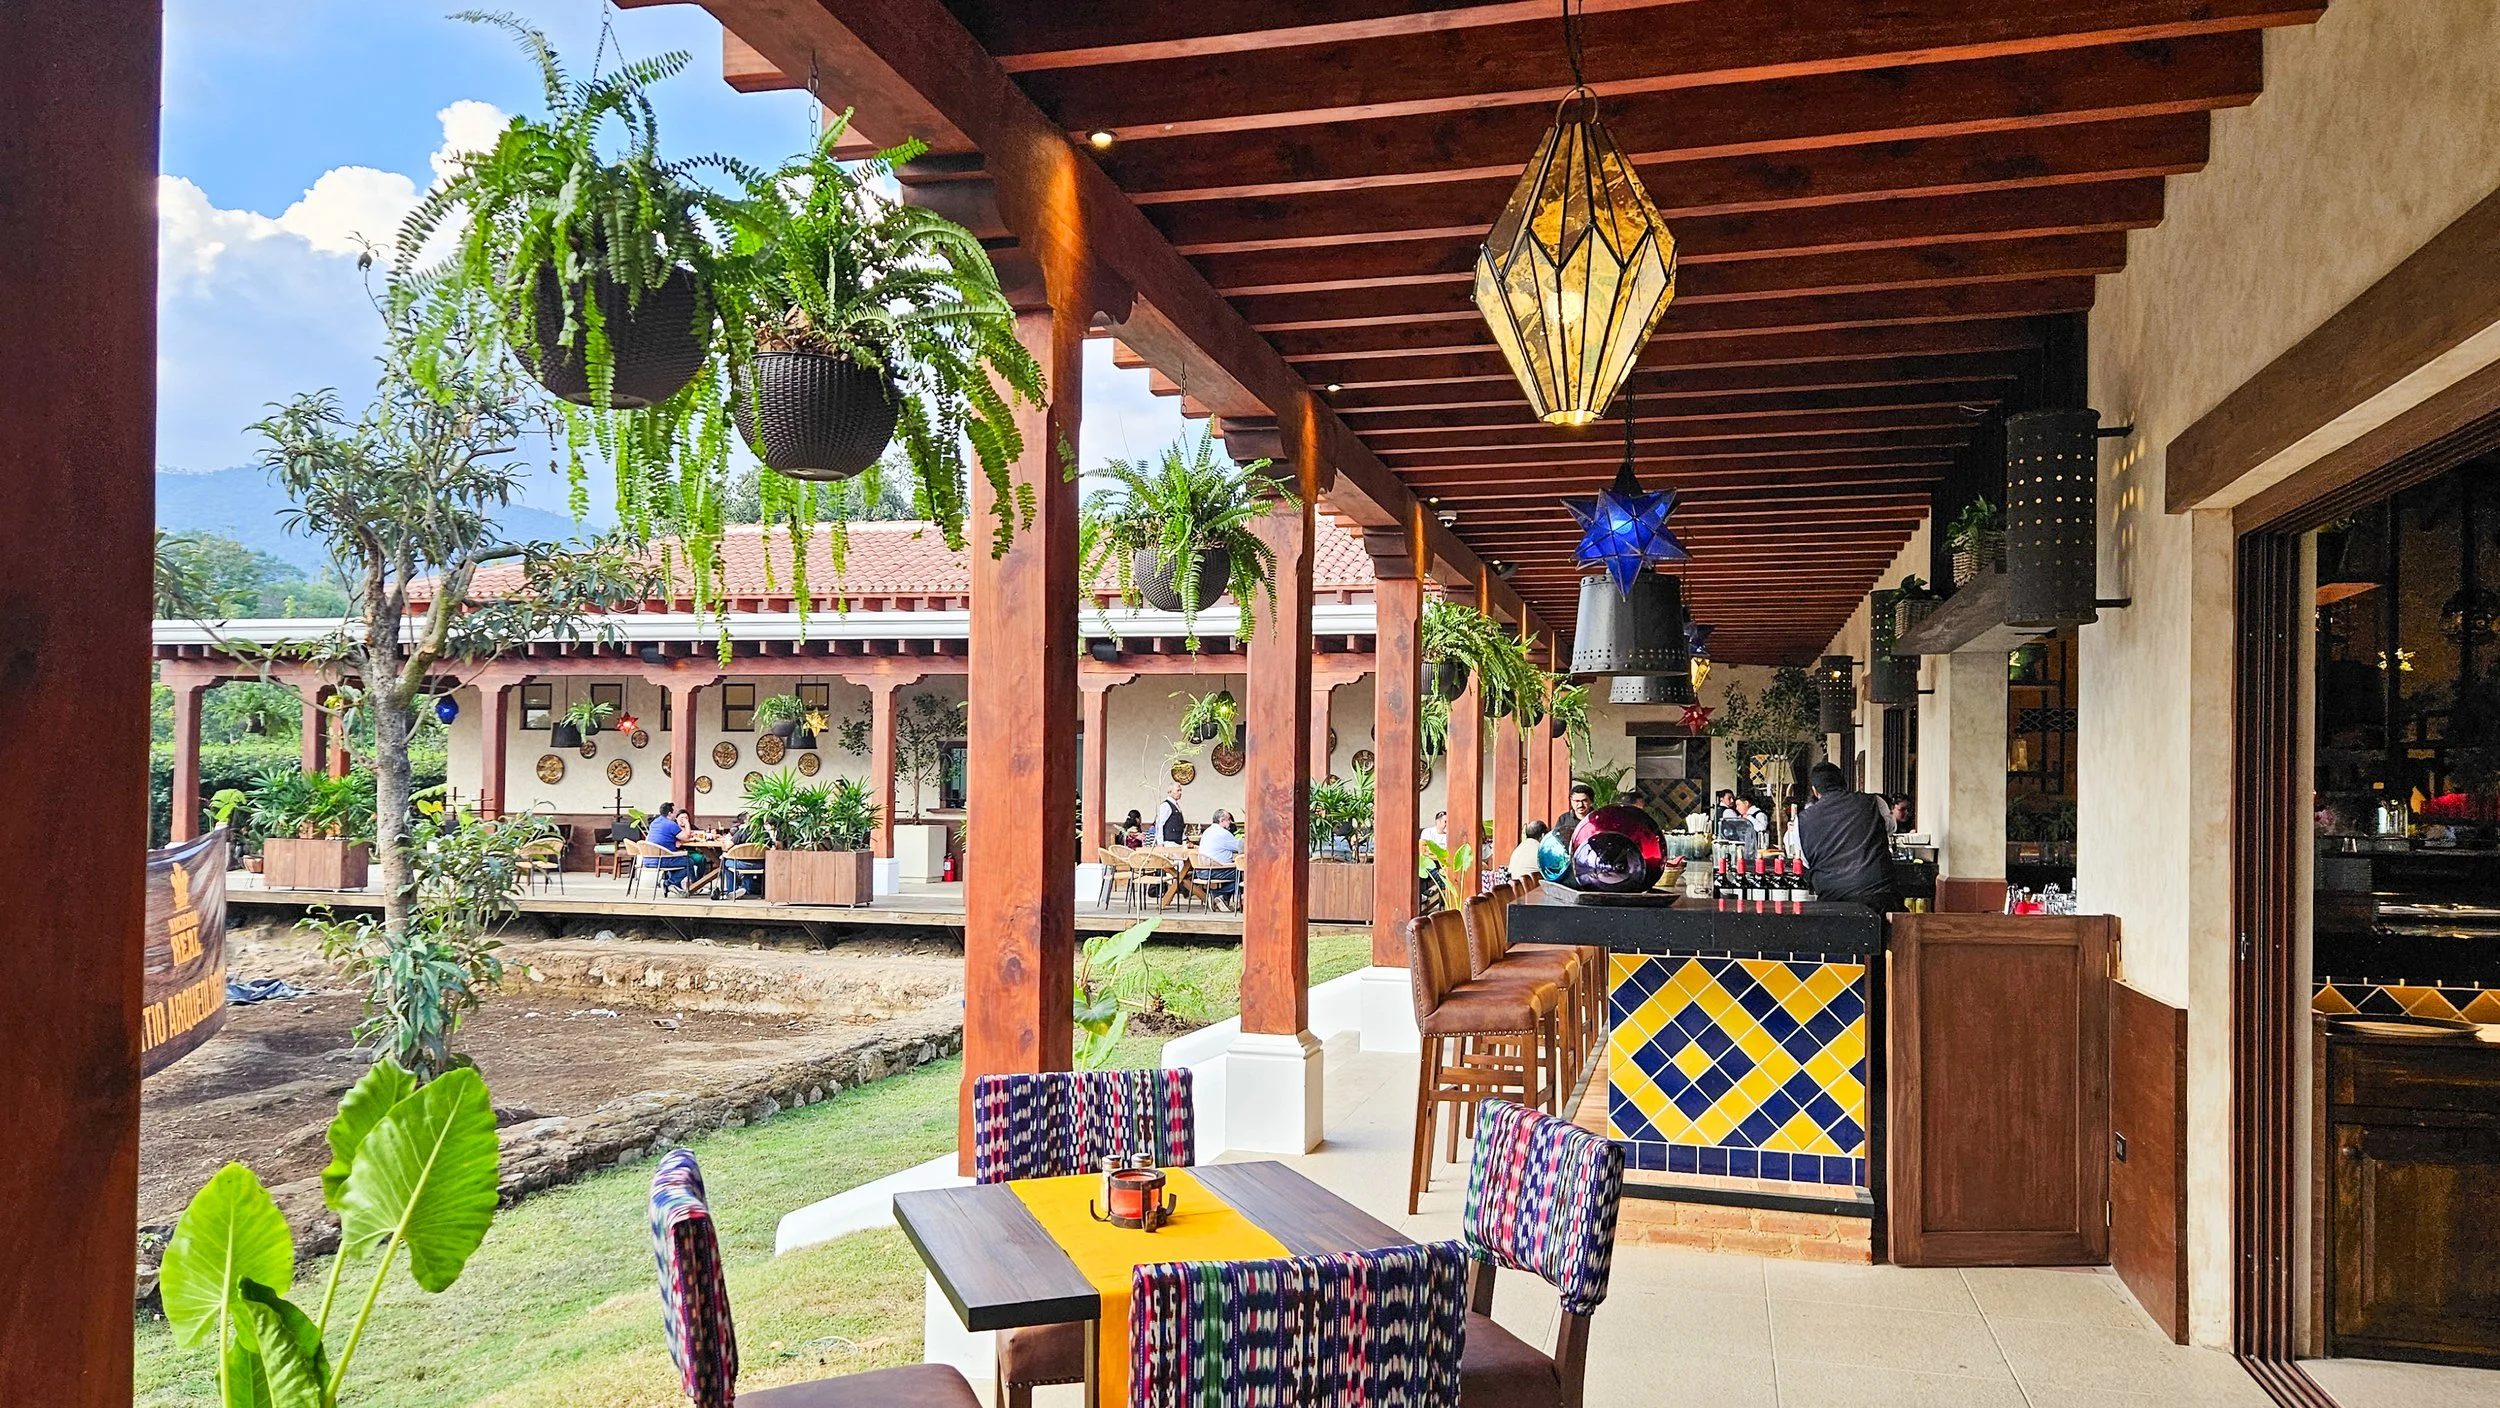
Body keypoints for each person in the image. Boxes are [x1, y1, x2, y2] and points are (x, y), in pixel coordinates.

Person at [1793, 762, 1895, 907]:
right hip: (1878, 896)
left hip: (1832, 900)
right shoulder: (1875, 802)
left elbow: (1806, 861)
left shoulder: (1801, 821)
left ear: (1815, 791)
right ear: (1844, 783)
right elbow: (1890, 828)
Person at [643, 801, 695, 895]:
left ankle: (675, 887)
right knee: (689, 862)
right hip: (662, 859)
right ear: (670, 813)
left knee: (679, 861)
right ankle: (669, 883)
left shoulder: (654, 823)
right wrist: (687, 823)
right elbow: (686, 837)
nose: (675, 815)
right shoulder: (670, 824)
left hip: (648, 859)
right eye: (674, 812)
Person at [1195, 809, 1244, 907]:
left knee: (1236, 872)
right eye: (1228, 819)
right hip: (1215, 870)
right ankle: (1221, 896)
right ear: (1222, 820)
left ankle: (1218, 897)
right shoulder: (1223, 833)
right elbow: (1241, 847)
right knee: (1243, 872)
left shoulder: (1207, 831)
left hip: (1200, 871)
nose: (1230, 822)